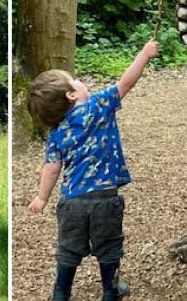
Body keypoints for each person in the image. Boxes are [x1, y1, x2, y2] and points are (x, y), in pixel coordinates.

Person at [27, 39, 159, 301]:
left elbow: (51, 169)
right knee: (109, 248)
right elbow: (126, 83)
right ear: (71, 95)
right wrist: (144, 54)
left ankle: (60, 293)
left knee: (68, 250)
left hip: (72, 201)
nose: (80, 81)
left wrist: (42, 197)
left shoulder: (56, 133)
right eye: (74, 80)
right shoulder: (99, 106)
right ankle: (111, 291)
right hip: (104, 199)